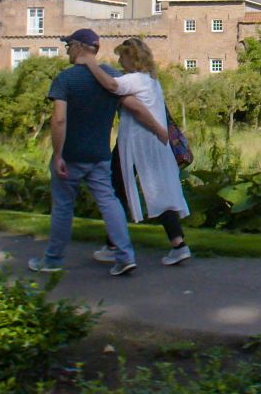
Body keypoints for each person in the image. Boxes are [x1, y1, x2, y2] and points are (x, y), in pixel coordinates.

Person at [27, 28, 168, 277]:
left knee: (63, 207)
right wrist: (158, 127)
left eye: (69, 45)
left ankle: (52, 260)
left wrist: (58, 154)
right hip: (100, 154)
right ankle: (125, 255)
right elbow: (134, 105)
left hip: (70, 155)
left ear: (80, 47)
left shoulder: (65, 79)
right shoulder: (110, 76)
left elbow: (59, 121)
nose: (67, 50)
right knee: (109, 202)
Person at [81, 37, 193, 266]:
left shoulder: (134, 80)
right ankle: (178, 244)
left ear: (132, 58)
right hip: (155, 145)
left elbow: (112, 85)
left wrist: (89, 63)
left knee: (116, 191)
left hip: (135, 146)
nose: (120, 60)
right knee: (158, 190)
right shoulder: (152, 81)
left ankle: (115, 245)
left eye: (122, 56)